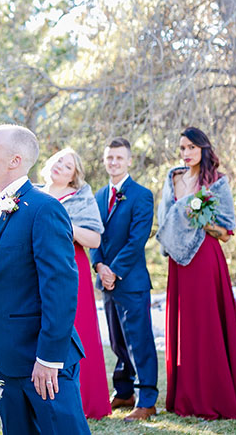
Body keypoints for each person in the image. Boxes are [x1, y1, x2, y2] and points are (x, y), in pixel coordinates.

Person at [0, 124, 90, 435]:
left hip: (41, 361)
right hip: (6, 359)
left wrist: (49, 358)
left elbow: (61, 288)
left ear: (15, 160)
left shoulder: (44, 208)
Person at [156, 127, 236, 419]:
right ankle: (186, 397)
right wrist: (180, 219)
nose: (186, 153)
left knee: (207, 325)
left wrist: (200, 218)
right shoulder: (173, 178)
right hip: (178, 262)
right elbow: (165, 220)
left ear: (204, 149)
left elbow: (227, 231)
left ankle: (214, 394)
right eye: (182, 148)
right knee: (185, 326)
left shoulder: (216, 182)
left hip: (205, 258)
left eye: (192, 147)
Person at [90, 137, 158, 422]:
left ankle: (147, 400)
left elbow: (137, 239)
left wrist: (114, 270)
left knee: (138, 340)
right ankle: (125, 391)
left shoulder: (141, 195)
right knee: (117, 340)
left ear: (129, 160)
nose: (114, 162)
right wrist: (99, 265)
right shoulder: (98, 195)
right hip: (106, 278)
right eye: (109, 158)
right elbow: (93, 234)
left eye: (119, 157)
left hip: (130, 281)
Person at [41, 148, 111, 420]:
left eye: (68, 165)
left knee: (77, 329)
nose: (61, 166)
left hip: (72, 267)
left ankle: (87, 400)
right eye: (58, 160)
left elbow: (94, 240)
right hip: (36, 268)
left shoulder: (81, 197)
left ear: (74, 176)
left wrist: (64, 224)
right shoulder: (32, 192)